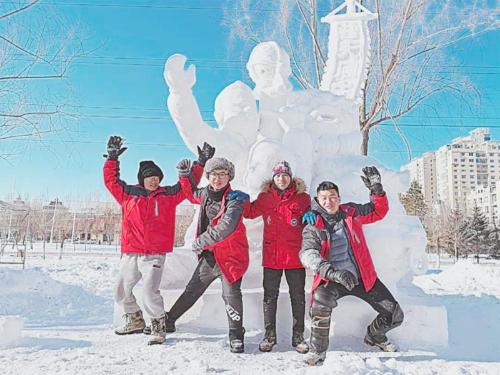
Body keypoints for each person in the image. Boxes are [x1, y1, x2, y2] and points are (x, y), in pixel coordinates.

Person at [103, 135, 214, 345]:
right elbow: (111, 181)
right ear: (141, 179)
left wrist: (200, 164)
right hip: (131, 251)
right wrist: (112, 158)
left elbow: (186, 187)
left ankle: (157, 325)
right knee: (120, 289)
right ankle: (135, 318)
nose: (154, 180)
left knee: (149, 290)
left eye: (157, 176)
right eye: (149, 177)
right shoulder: (128, 194)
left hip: (154, 254)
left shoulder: (168, 195)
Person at [300, 166, 404, 366]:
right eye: (324, 198)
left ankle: (375, 336)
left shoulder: (351, 212)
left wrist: (377, 190)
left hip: (362, 277)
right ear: (318, 201)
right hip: (332, 278)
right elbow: (307, 254)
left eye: (332, 197)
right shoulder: (314, 224)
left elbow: (378, 211)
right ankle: (317, 351)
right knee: (320, 301)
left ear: (339, 198)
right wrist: (334, 273)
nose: (329, 201)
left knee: (395, 315)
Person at [165, 157, 249, 353]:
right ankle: (169, 320)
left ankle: (236, 334)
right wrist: (185, 176)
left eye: (222, 175)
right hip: (210, 257)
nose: (217, 179)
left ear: (229, 177)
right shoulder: (205, 194)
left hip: (231, 257)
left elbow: (225, 228)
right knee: (192, 290)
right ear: (208, 176)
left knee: (231, 296)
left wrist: (199, 242)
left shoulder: (235, 200)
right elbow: (191, 194)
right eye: (213, 175)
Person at [229, 160, 310, 353]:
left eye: (285, 175)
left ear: (291, 178)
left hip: (294, 257)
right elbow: (249, 213)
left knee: (297, 297)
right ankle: (269, 335)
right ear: (273, 178)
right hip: (272, 256)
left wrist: (312, 217)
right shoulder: (265, 197)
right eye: (278, 175)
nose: (281, 179)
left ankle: (298, 336)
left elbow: (311, 218)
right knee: (269, 297)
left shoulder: (303, 198)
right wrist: (243, 200)